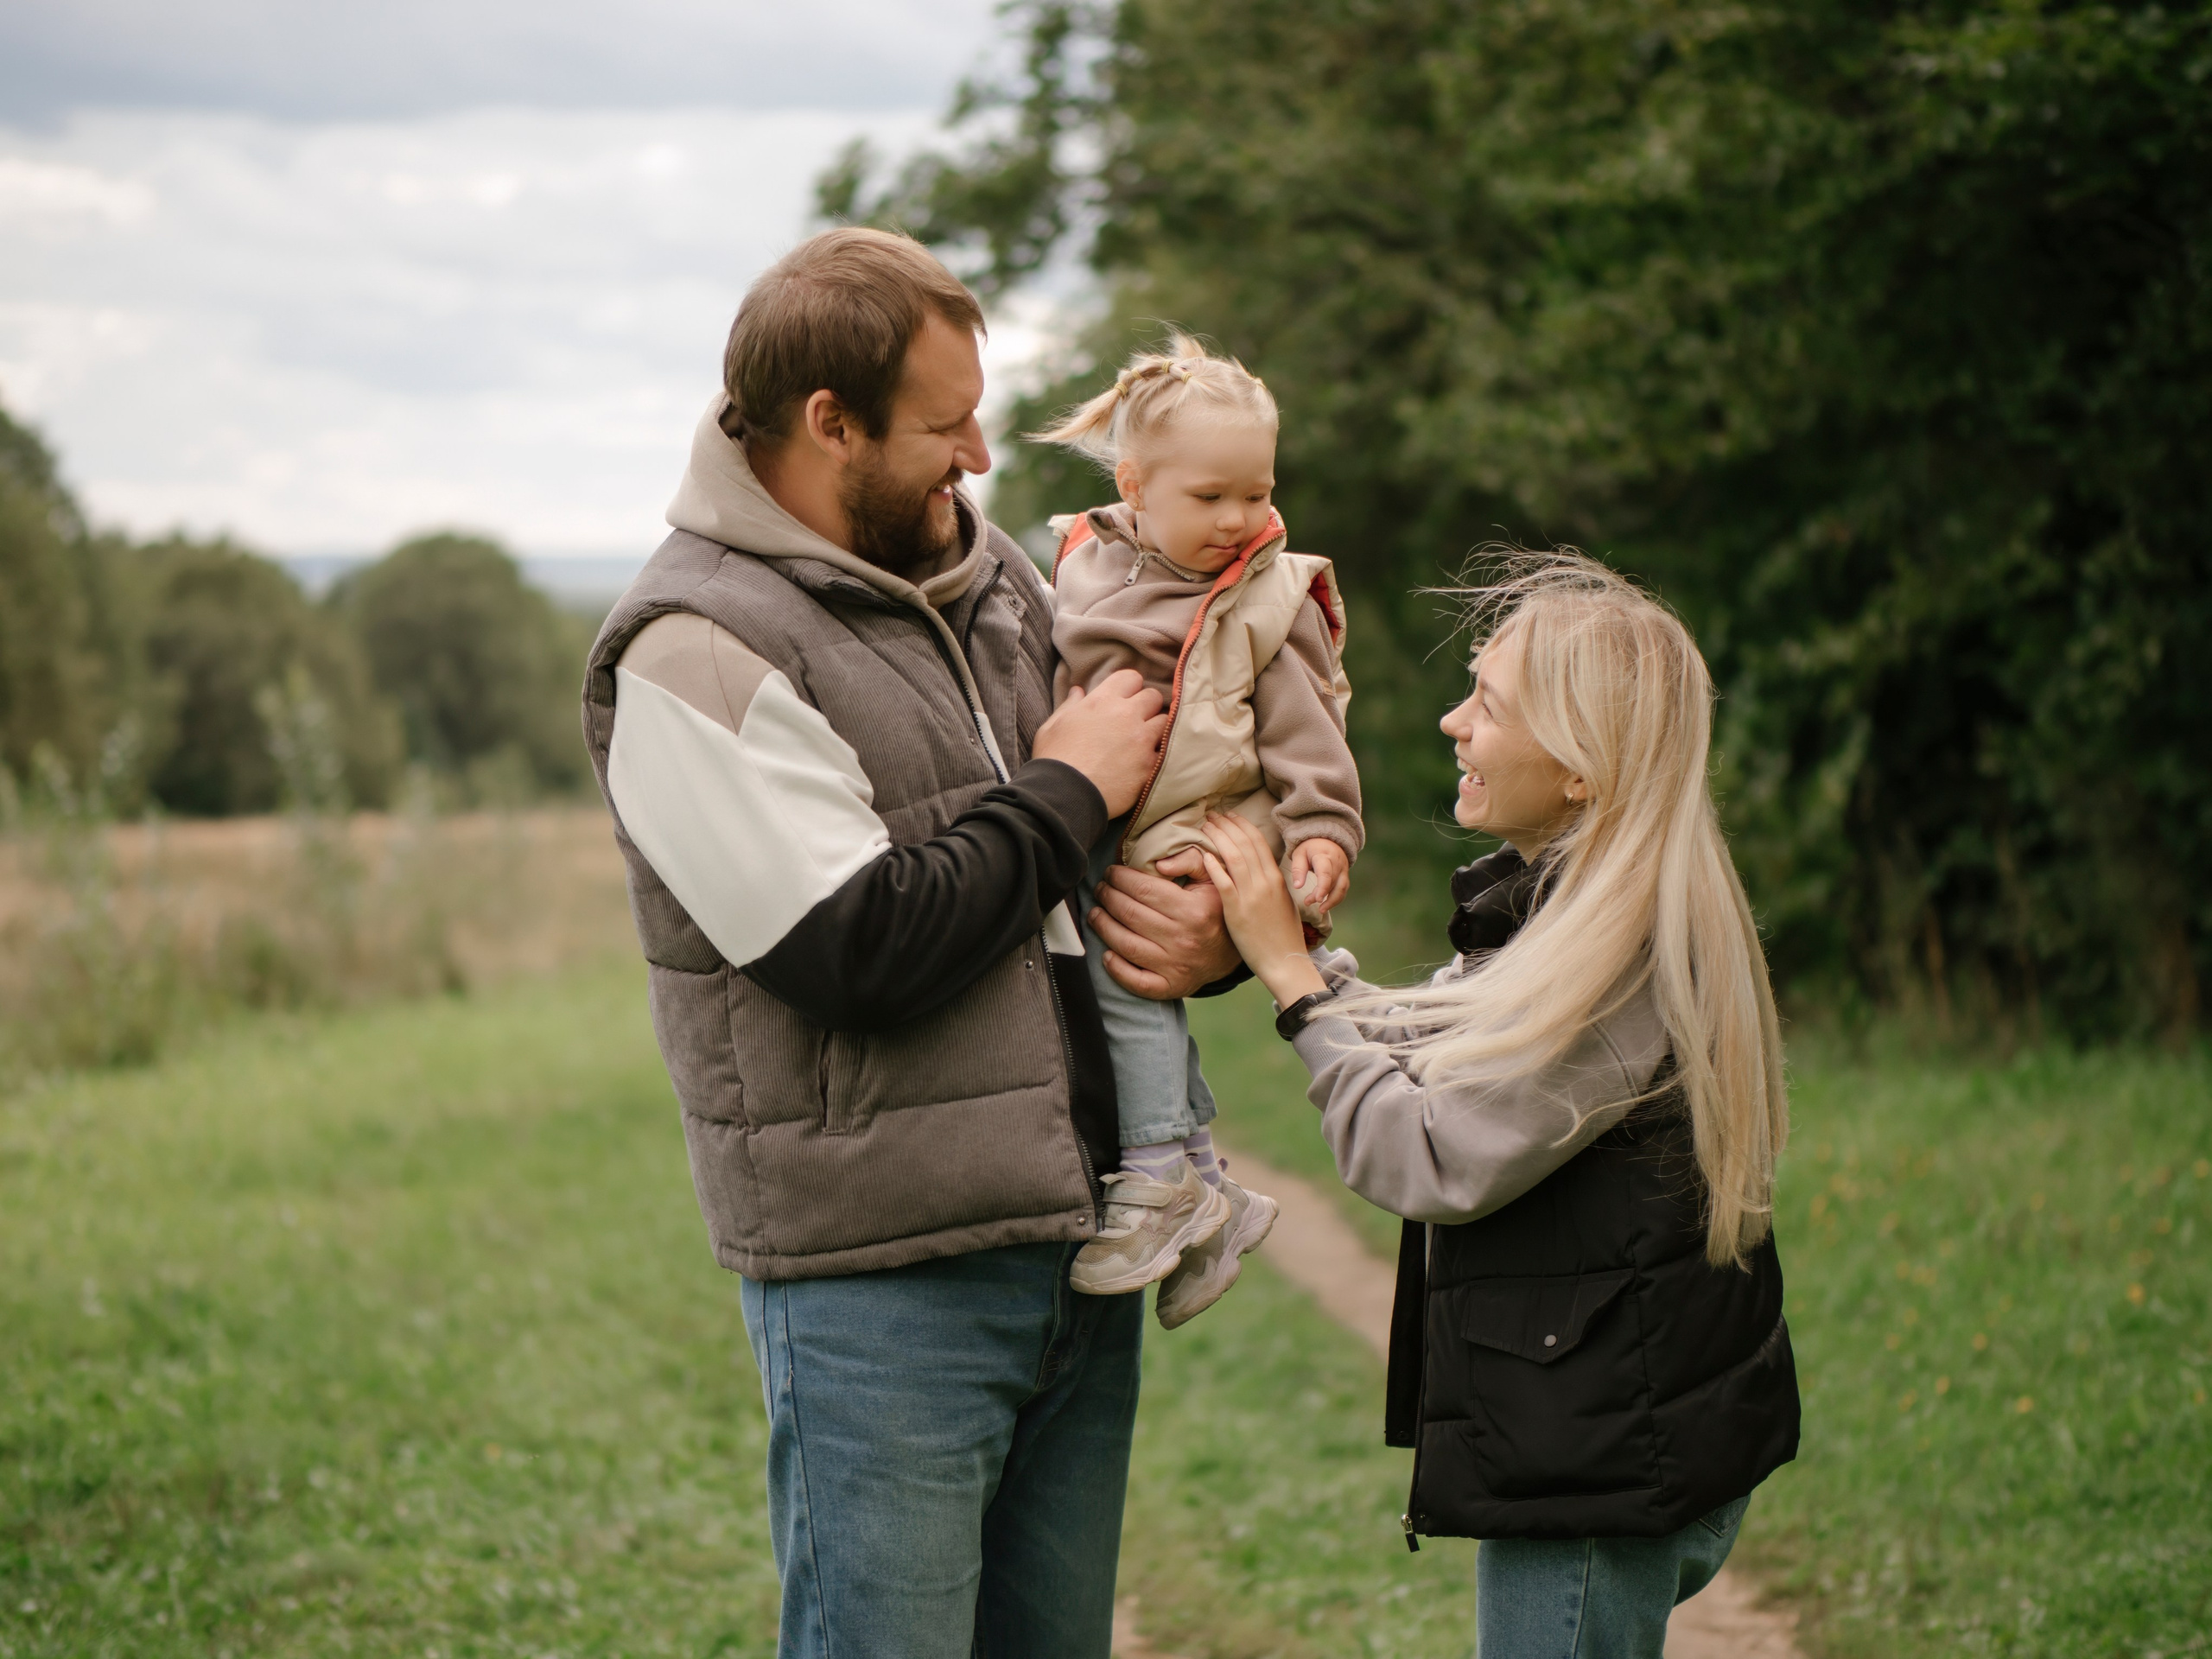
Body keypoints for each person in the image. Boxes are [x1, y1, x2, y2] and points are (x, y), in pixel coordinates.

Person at [578, 227, 1242, 1659]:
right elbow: (851, 946)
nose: (983, 455)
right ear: (831, 424)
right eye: (946, 426)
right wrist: (1066, 789)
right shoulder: (692, 651)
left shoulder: (992, 573)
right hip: (882, 1293)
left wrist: (1210, 934)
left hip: (1073, 1253)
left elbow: (1120, 835)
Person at [1198, 555, 1801, 1658]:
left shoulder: (1611, 962)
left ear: (1580, 769)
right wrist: (1319, 969)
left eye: (1488, 702)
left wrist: (1292, 986)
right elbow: (1449, 1052)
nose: (1450, 719)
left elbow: (1425, 1158)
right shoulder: (1579, 913)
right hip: (1621, 1425)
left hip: (1594, 1459)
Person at [1035, 334, 1363, 1325]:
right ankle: (1204, 1183)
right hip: (1103, 796)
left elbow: (1308, 724)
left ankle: (1156, 1171)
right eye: (1209, 497)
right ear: (1135, 487)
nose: (1239, 520)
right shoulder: (1085, 560)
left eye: (1255, 494)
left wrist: (1323, 828)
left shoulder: (1263, 592)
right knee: (1103, 952)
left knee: (1116, 957)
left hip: (1194, 817)